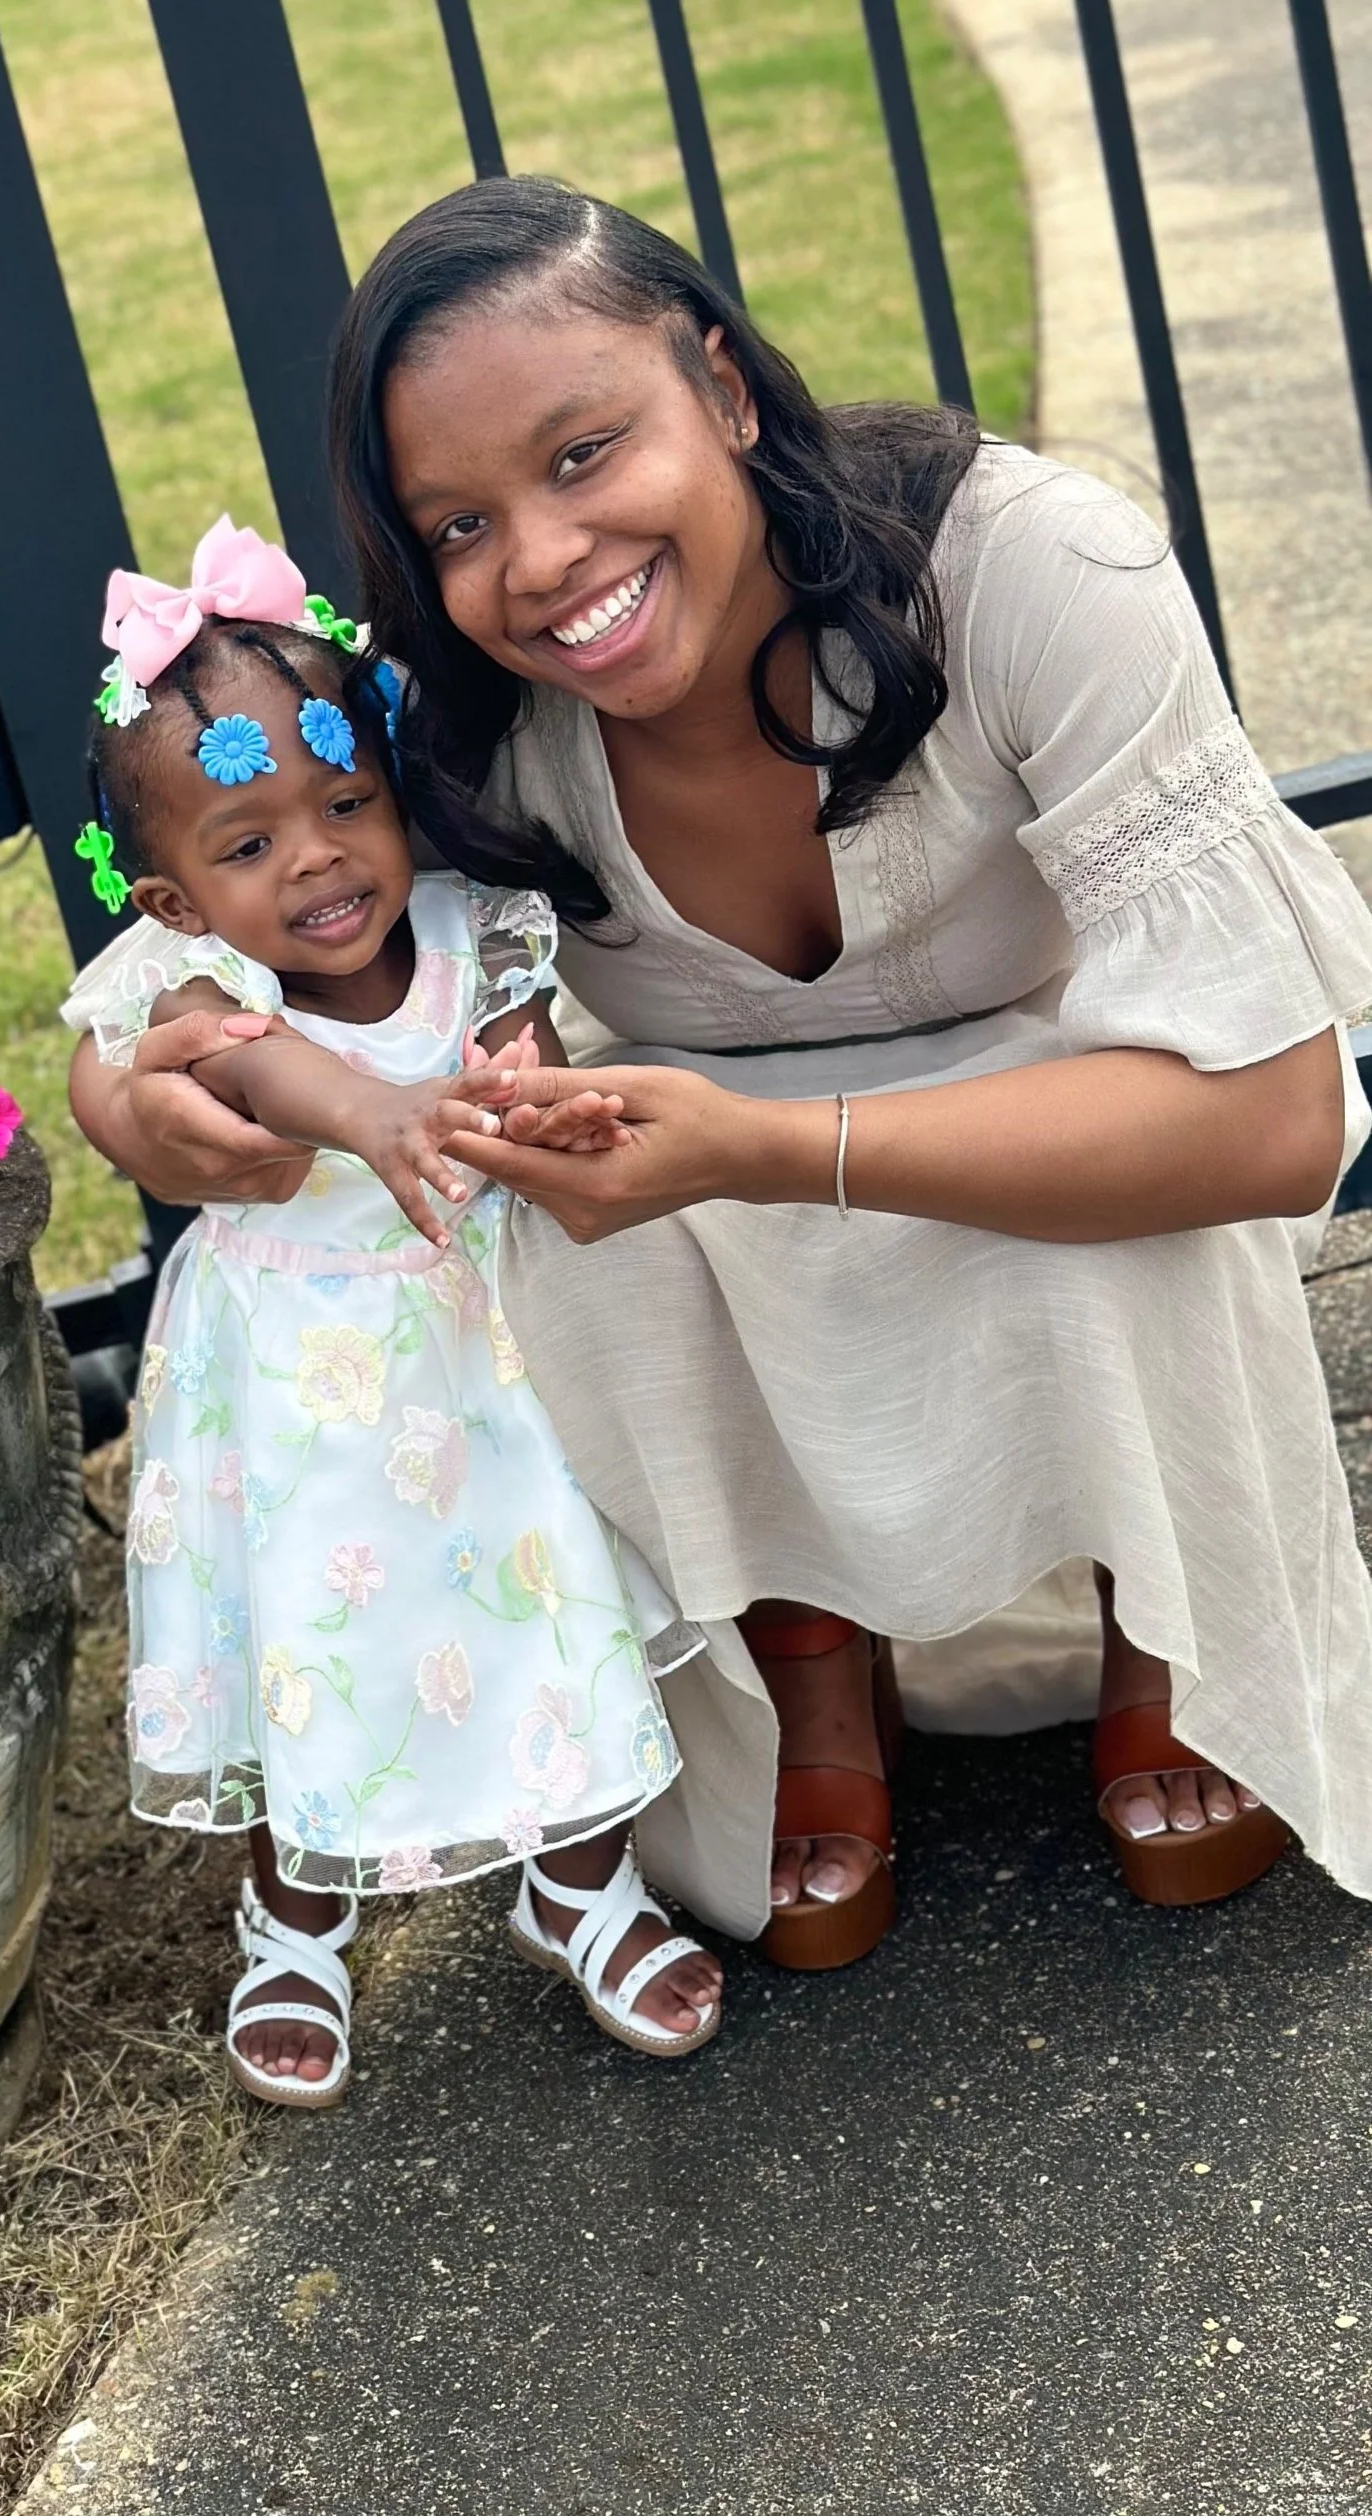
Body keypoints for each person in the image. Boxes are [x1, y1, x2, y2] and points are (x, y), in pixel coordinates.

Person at [80, 175, 1372, 1966]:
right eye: (457, 521)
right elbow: (181, 955)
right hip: (707, 1180)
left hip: (1080, 1113)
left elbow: (1272, 1115)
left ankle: (1167, 1633)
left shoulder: (1030, 573)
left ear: (727, 388)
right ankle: (813, 1681)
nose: (535, 562)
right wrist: (137, 1094)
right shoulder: (461, 727)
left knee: (1125, 1195)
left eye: (585, 451)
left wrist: (772, 1148)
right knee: (566, 1243)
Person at [62, 517, 722, 2106]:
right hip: (302, 1384)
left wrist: (522, 1088)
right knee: (317, 1630)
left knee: (550, 1597)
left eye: (345, 802)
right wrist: (375, 1118)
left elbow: (521, 1048)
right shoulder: (201, 988)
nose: (315, 858)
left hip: (490, 1352)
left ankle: (575, 1877)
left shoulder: (466, 921)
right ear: (173, 894)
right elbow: (254, 1071)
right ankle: (298, 1904)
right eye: (248, 841)